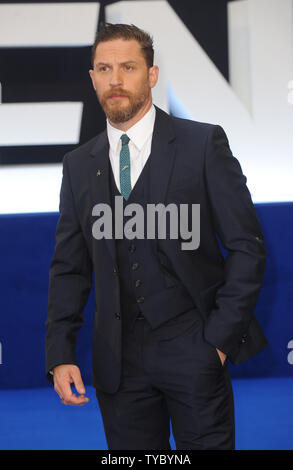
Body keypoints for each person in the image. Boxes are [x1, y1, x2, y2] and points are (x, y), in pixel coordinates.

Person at [45, 23, 268, 450]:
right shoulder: (77, 165)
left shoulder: (202, 144)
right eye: (104, 68)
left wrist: (218, 342)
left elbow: (247, 247)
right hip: (117, 361)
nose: (115, 80)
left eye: (128, 67)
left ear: (151, 75)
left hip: (194, 347)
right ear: (92, 77)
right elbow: (69, 268)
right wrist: (60, 352)